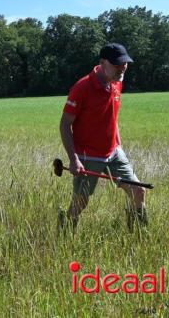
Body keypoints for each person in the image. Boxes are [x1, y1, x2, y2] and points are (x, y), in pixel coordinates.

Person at [58, 43, 147, 233]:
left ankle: (138, 234)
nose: (122, 67)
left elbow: (112, 118)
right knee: (80, 203)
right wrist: (73, 159)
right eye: (117, 64)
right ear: (102, 63)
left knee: (138, 191)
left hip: (114, 152)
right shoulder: (82, 88)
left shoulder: (117, 82)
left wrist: (119, 147)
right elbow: (65, 124)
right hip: (88, 155)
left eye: (125, 63)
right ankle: (65, 229)